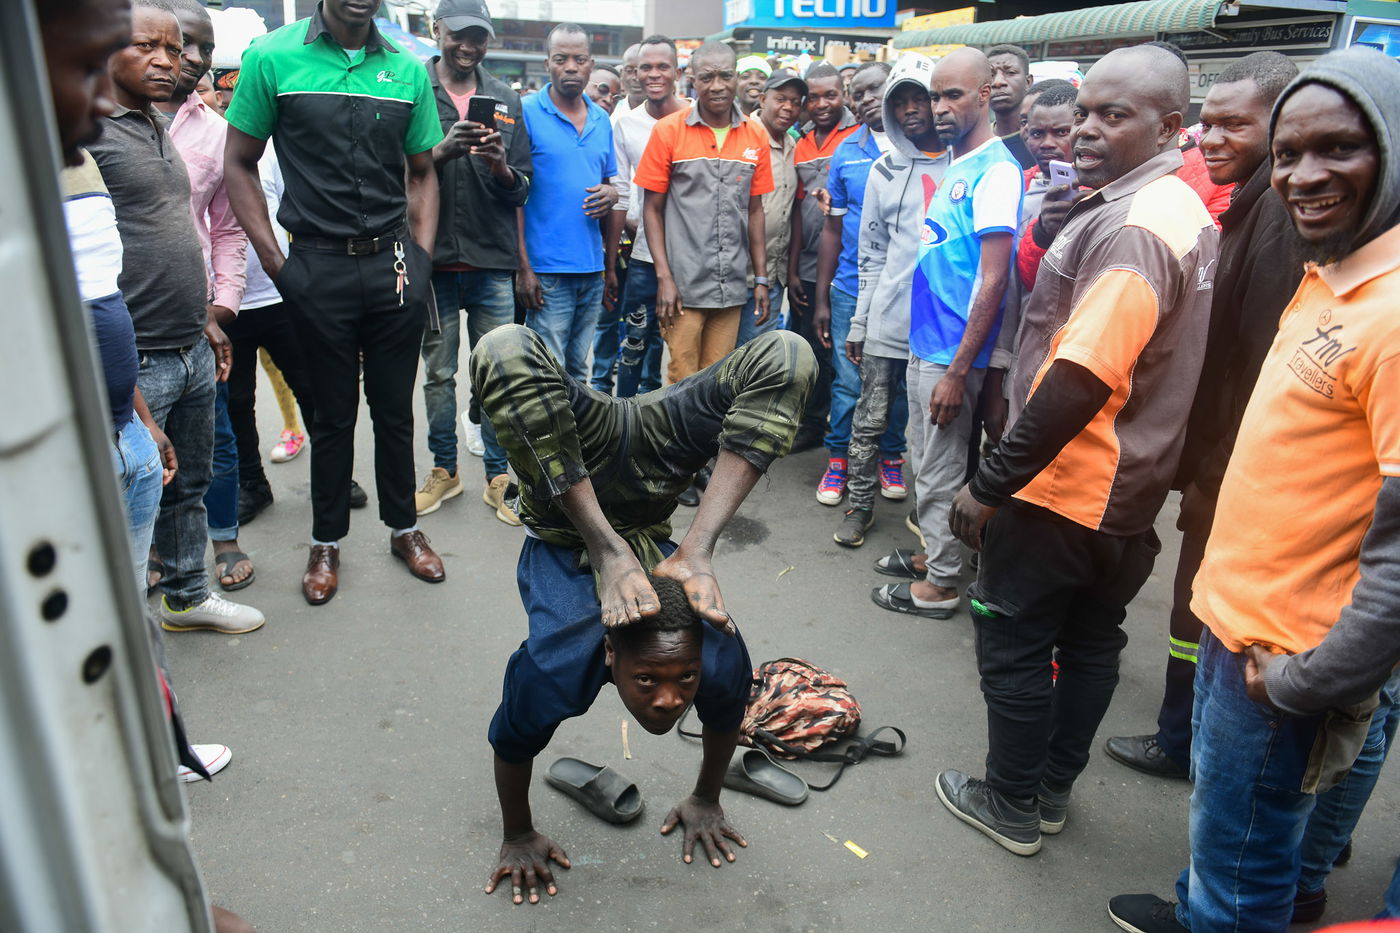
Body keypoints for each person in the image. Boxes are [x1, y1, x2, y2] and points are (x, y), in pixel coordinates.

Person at [1108, 47, 1400, 933]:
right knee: (1258, 857)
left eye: (1338, 149)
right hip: (1248, 634)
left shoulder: (1393, 310)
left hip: (1281, 660)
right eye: (1290, 151)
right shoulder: (1337, 269)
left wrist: (1310, 680)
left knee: (1239, 875)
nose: (1303, 175)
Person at [938, 44, 1216, 859]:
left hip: (1066, 485)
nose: (1087, 129)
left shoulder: (1136, 228)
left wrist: (988, 486)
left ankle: (1012, 802)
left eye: (1112, 115)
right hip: (1125, 491)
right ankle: (1051, 790)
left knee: (1014, 641)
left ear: (1169, 126)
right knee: (1093, 641)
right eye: (1085, 111)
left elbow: (1078, 378)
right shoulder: (1170, 207)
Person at [471, 323, 815, 906]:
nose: (668, 700)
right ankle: (608, 543)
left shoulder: (719, 653)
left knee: (789, 353)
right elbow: (512, 743)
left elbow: (727, 714)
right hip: (566, 509)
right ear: (610, 656)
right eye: (649, 680)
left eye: (682, 677)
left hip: (659, 448)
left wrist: (706, 797)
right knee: (503, 347)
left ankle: (684, 549)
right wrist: (517, 833)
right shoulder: (558, 666)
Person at [1104, 52, 1301, 782]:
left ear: (1282, 125)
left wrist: (1214, 469)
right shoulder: (1251, 202)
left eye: (1232, 124)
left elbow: (1259, 367)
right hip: (1224, 456)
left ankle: (1179, 737)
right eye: (1205, 123)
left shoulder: (1277, 217)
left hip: (1240, 464)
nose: (1208, 139)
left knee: (1201, 606)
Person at [224, 0, 447, 606]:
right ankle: (326, 541)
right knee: (331, 414)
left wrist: (420, 259)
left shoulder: (405, 69)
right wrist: (278, 265)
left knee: (396, 410)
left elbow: (423, 171)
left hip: (394, 266)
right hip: (315, 267)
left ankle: (405, 528)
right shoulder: (273, 58)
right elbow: (238, 165)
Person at [88, 1, 266, 634]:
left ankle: (187, 599)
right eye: (148, 47)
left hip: (190, 344)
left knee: (188, 484)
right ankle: (121, 639)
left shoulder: (156, 125)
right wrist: (127, 393)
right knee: (124, 499)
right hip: (133, 361)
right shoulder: (90, 135)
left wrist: (210, 320)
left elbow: (195, 234)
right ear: (106, 46)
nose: (169, 60)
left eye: (177, 48)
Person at [868, 48, 1021, 621]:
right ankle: (938, 557)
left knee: (938, 472)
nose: (939, 107)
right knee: (923, 462)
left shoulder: (997, 170)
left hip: (951, 358)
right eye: (935, 96)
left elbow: (994, 278)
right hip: (927, 347)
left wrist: (960, 371)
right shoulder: (961, 163)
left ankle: (942, 586)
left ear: (985, 94)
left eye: (953, 94)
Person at [413, 0, 532, 525]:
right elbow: (391, 171)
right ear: (437, 31)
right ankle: (445, 471)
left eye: (478, 37)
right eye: (459, 34)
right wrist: (440, 152)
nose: (468, 46)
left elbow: (523, 188)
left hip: (490, 262)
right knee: (439, 375)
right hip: (432, 260)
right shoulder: (411, 89)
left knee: (500, 376)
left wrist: (502, 167)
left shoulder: (505, 98)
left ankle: (499, 477)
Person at [152, 0, 255, 592]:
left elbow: (227, 229)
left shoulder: (216, 132)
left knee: (210, 441)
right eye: (176, 43)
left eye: (202, 49)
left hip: (197, 321)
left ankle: (222, 537)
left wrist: (223, 306)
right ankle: (151, 554)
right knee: (138, 454)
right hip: (123, 327)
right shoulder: (102, 122)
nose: (189, 59)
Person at [836, 53, 947, 549]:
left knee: (931, 431)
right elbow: (872, 254)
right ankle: (859, 508)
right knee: (869, 418)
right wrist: (860, 322)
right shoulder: (884, 169)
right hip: (887, 319)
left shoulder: (965, 163)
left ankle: (929, 520)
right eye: (898, 101)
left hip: (942, 327)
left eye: (918, 97)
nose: (908, 110)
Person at [635, 41, 774, 385]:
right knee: (682, 380)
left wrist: (760, 278)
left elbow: (755, 212)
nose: (717, 86)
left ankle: (706, 442)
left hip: (731, 289)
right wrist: (664, 278)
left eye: (726, 76)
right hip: (683, 288)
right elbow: (651, 210)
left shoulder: (755, 134)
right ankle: (678, 441)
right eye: (707, 77)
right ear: (692, 80)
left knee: (718, 383)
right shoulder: (668, 130)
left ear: (737, 78)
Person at [514, 23, 618, 382]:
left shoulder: (602, 119)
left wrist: (613, 194)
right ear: (547, 64)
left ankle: (578, 439)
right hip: (546, 270)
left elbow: (607, 185)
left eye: (579, 59)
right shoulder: (525, 112)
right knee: (548, 372)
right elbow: (513, 193)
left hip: (591, 269)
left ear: (591, 64)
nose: (571, 67)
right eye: (561, 59)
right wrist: (523, 267)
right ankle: (547, 440)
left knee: (578, 370)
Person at [603, 35, 687, 399]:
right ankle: (623, 430)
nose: (653, 75)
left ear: (677, 73)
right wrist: (610, 265)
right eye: (645, 68)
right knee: (634, 347)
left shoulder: (695, 119)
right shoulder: (625, 125)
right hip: (642, 259)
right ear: (634, 73)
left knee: (681, 354)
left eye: (662, 67)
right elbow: (620, 197)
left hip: (691, 261)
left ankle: (668, 429)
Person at [789, 62, 858, 452]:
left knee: (839, 350)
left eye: (829, 94)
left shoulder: (858, 138)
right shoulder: (802, 141)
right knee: (810, 348)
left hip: (846, 267)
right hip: (810, 267)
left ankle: (843, 429)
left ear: (842, 94)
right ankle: (812, 423)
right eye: (812, 97)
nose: (821, 103)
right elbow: (800, 212)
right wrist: (794, 267)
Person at [737, 68, 803, 347]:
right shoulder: (743, 137)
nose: (788, 107)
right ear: (763, 99)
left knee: (757, 359)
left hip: (773, 277)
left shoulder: (793, 144)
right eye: (780, 98)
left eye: (796, 102)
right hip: (739, 275)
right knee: (727, 363)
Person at [985, 44, 1036, 170]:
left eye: (1010, 72)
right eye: (991, 75)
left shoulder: (1043, 139)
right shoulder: (977, 143)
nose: (998, 82)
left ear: (1028, 82)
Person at [611, 42, 643, 121]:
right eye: (629, 70)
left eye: (643, 70)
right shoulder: (611, 114)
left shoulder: (669, 116)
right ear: (622, 74)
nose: (636, 78)